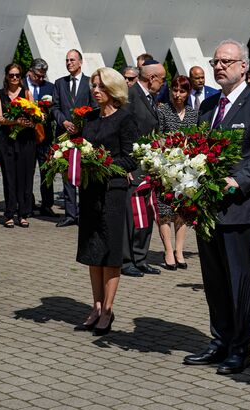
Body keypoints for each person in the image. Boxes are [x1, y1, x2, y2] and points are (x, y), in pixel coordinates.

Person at [183, 39, 250, 375]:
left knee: (239, 281)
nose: (219, 66)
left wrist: (239, 180)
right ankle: (219, 340)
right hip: (206, 207)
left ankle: (240, 349)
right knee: (214, 280)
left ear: (243, 67)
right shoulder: (208, 106)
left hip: (238, 206)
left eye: (226, 61)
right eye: (215, 61)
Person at [74, 67, 138, 336]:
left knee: (110, 251)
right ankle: (96, 305)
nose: (95, 90)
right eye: (93, 86)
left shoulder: (125, 119)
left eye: (100, 86)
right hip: (90, 191)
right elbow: (78, 146)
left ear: (113, 90)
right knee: (93, 249)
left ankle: (108, 309)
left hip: (112, 191)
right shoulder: (89, 118)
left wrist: (104, 163)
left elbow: (131, 158)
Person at [121, 59, 166, 277]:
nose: (163, 83)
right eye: (163, 79)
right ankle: (126, 259)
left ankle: (140, 257)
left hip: (147, 166)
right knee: (132, 215)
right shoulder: (131, 96)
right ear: (152, 78)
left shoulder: (149, 97)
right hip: (133, 167)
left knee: (146, 214)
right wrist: (126, 165)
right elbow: (124, 131)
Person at [156, 76, 198, 270]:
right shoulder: (163, 110)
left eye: (182, 91)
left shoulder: (192, 113)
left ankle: (179, 251)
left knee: (181, 210)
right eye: (175, 90)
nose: (177, 94)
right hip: (165, 167)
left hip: (185, 170)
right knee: (164, 210)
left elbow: (197, 138)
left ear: (188, 93)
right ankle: (167, 250)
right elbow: (156, 137)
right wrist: (166, 145)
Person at [51, 49, 96, 227]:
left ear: (80, 62)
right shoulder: (59, 83)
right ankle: (70, 214)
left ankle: (85, 213)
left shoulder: (90, 83)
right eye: (67, 60)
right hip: (64, 135)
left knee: (84, 174)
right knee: (67, 175)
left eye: (72, 60)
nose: (69, 63)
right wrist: (64, 122)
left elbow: (94, 108)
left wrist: (81, 124)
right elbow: (55, 107)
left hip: (83, 135)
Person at [0, 63, 35, 228]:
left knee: (25, 176)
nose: (15, 78)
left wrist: (28, 122)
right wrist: (15, 121)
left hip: (25, 140)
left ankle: (23, 213)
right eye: (11, 75)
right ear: (6, 76)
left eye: (18, 75)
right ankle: (9, 213)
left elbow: (34, 115)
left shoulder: (27, 93)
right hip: (7, 140)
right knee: (9, 176)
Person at [24, 58, 57, 217]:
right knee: (27, 171)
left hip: (45, 137)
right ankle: (27, 204)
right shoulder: (21, 86)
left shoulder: (50, 87)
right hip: (26, 136)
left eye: (43, 76)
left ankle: (47, 204)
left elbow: (56, 108)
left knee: (46, 172)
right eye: (38, 75)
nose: (41, 79)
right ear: (30, 71)